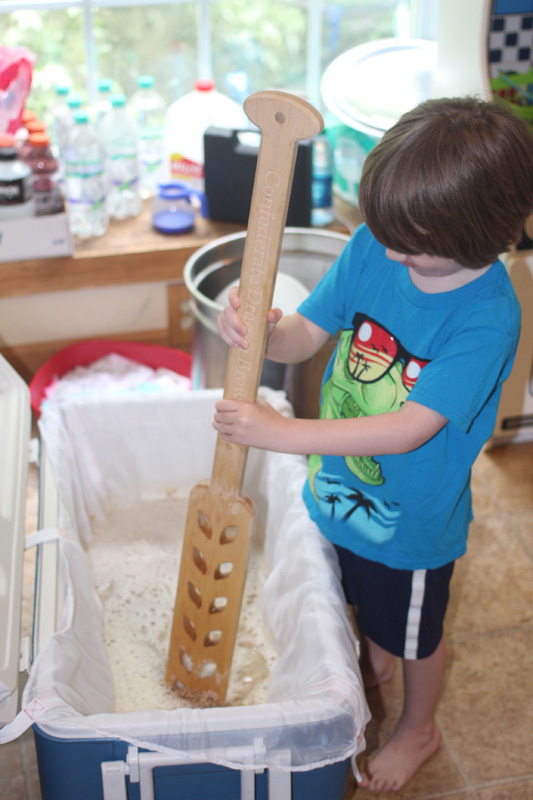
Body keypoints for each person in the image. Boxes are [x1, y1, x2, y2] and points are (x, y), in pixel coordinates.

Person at [213, 96, 533, 792]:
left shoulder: (487, 316)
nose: (390, 250)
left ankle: (419, 726)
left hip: (411, 524)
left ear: (478, 233)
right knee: (353, 595)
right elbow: (308, 330)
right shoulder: (374, 245)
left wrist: (282, 434)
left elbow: (409, 427)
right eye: (384, 229)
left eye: (410, 241)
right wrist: (266, 329)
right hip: (337, 487)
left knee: (416, 632)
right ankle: (376, 651)